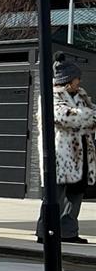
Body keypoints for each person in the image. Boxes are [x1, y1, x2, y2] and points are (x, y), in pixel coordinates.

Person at [36, 55, 96, 244]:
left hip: (82, 154)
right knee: (55, 197)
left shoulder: (81, 94)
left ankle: (69, 233)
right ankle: (45, 232)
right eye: (77, 78)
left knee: (75, 195)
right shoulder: (51, 96)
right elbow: (67, 117)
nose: (80, 81)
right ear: (68, 80)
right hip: (60, 155)